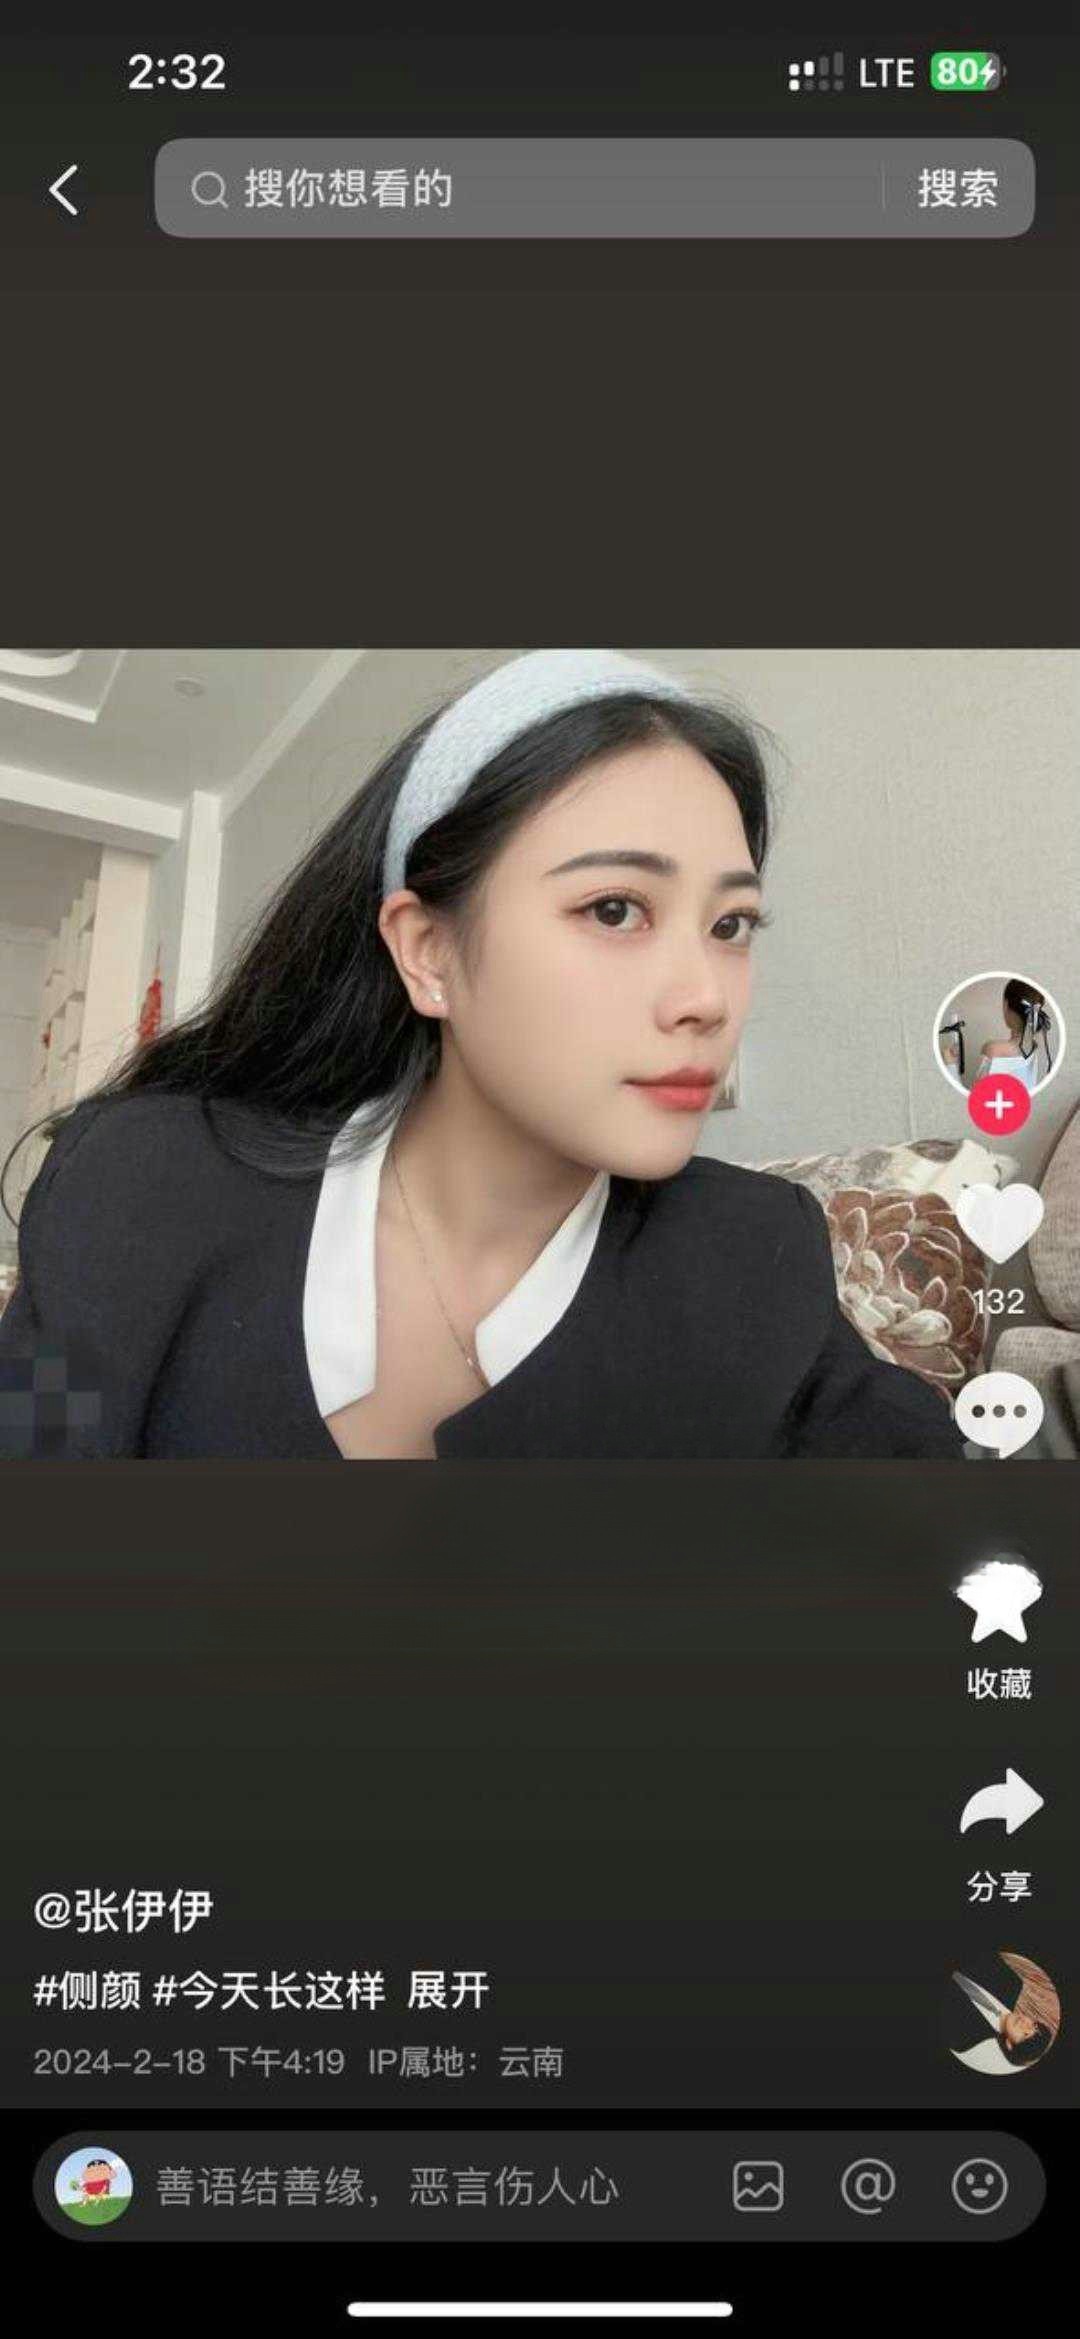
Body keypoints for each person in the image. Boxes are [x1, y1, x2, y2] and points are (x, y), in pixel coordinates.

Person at [0, 649, 966, 1461]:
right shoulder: (140, 1183)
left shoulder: (754, 1251)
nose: (708, 998)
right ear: (429, 953)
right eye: (615, 909)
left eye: (731, 924)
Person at [973, 979, 1048, 1092]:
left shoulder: (993, 1050)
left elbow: (977, 1098)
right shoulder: (1033, 1048)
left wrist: (951, 1064)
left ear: (1006, 1004)